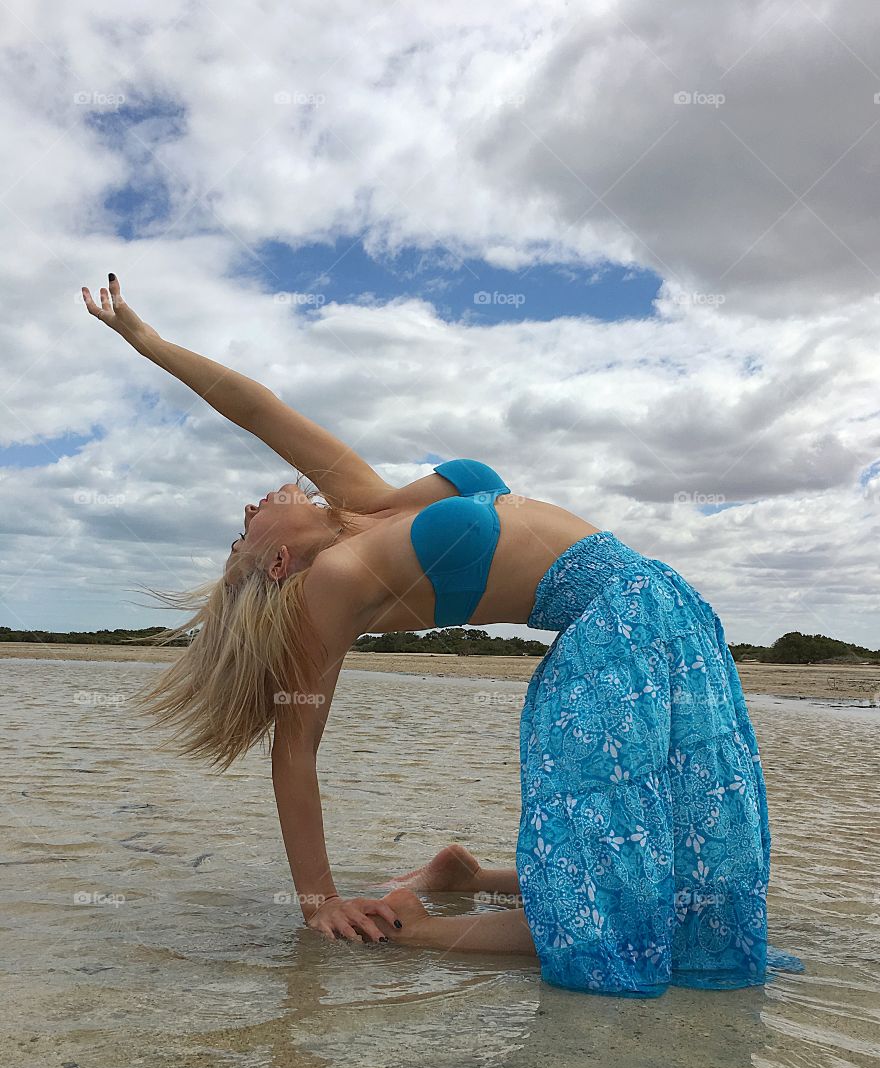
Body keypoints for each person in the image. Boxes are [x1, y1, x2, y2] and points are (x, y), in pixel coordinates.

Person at [82, 273, 797, 997]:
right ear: (277, 562)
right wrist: (318, 901)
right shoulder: (336, 579)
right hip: (609, 636)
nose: (247, 507)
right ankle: (414, 930)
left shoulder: (369, 503)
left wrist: (149, 342)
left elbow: (261, 410)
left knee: (693, 852)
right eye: (242, 532)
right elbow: (295, 747)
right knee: (614, 920)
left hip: (666, 612)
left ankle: (466, 878)